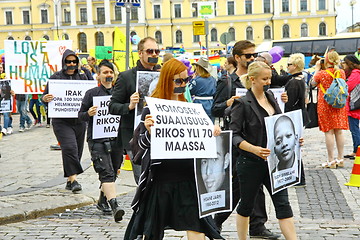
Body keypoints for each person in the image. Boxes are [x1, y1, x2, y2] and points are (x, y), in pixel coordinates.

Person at [124, 58, 223, 240]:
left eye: (186, 80)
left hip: (188, 177)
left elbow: (201, 140)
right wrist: (148, 132)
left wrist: (213, 133)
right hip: (162, 178)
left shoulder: (191, 108)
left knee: (197, 227)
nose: (183, 85)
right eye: (178, 81)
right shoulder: (152, 109)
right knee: (152, 231)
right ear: (166, 80)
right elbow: (139, 148)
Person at [212, 40, 281, 240]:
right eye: (248, 56)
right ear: (237, 58)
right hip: (238, 143)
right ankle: (215, 223)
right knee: (237, 188)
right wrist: (229, 103)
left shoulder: (262, 75)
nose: (252, 58)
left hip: (260, 142)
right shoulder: (227, 81)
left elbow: (270, 104)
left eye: (254, 55)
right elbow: (216, 109)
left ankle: (257, 226)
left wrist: (282, 100)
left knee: (256, 186)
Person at [230, 61, 297, 240]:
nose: (268, 82)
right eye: (264, 79)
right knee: (246, 206)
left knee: (283, 205)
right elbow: (234, 136)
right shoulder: (242, 103)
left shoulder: (271, 97)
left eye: (270, 78)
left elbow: (279, 126)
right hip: (251, 163)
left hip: (274, 163)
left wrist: (295, 138)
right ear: (252, 79)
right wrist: (253, 149)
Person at [109, 37, 161, 184]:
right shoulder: (126, 77)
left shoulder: (162, 75)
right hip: (134, 137)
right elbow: (112, 106)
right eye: (150, 51)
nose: (154, 54)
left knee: (155, 178)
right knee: (142, 179)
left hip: (157, 134)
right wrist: (129, 106)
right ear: (140, 53)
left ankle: (104, 197)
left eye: (157, 51)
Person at [78, 60, 125, 222]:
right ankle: (114, 205)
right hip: (98, 139)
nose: (108, 75)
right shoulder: (91, 94)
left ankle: (102, 200)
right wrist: (88, 113)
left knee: (114, 170)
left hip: (116, 139)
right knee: (106, 172)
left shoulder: (119, 93)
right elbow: (80, 115)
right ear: (98, 75)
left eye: (111, 72)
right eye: (105, 72)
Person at [42, 49, 89, 193]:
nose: (71, 64)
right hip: (61, 121)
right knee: (69, 147)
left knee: (77, 150)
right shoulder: (55, 77)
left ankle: (69, 179)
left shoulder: (83, 76)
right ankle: (74, 180)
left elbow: (90, 92)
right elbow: (44, 97)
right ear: (63, 62)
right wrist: (45, 99)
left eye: (74, 61)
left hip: (79, 120)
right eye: (68, 61)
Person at [312, 50, 349, 168]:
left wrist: (317, 68)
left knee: (329, 132)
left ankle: (331, 160)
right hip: (339, 104)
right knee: (339, 131)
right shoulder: (341, 72)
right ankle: (340, 158)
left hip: (325, 104)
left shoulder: (322, 73)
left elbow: (312, 83)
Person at [342, 55, 360, 160]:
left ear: (350, 64)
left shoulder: (355, 73)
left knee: (354, 129)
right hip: (355, 104)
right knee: (354, 128)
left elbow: (347, 87)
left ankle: (356, 151)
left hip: (354, 106)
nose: (343, 65)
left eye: (345, 63)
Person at [189, 57, 216, 122]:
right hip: (211, 103)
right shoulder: (213, 79)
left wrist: (193, 79)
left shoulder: (196, 80)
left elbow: (190, 91)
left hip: (199, 103)